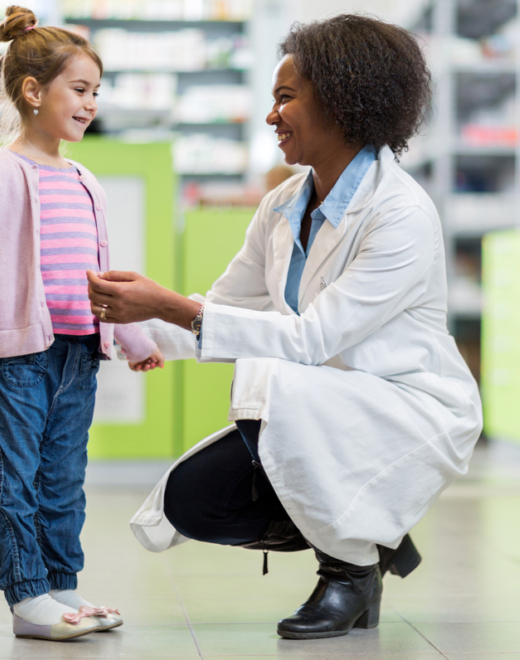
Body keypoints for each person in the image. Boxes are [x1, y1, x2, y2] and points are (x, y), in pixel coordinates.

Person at [87, 14, 482, 640]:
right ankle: (371, 531)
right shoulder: (280, 206)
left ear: (343, 100)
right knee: (193, 499)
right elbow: (226, 307)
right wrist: (116, 333)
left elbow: (310, 340)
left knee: (270, 380)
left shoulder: (400, 213)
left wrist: (166, 306)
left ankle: (350, 570)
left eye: (285, 97)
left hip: (407, 408)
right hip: (319, 404)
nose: (271, 116)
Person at [0, 6, 163, 642]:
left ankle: (61, 585)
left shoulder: (86, 180)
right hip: (18, 356)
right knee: (15, 475)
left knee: (63, 476)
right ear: (33, 92)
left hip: (80, 351)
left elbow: (100, 274)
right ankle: (27, 595)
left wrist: (132, 336)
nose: (91, 104)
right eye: (80, 90)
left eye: (96, 93)